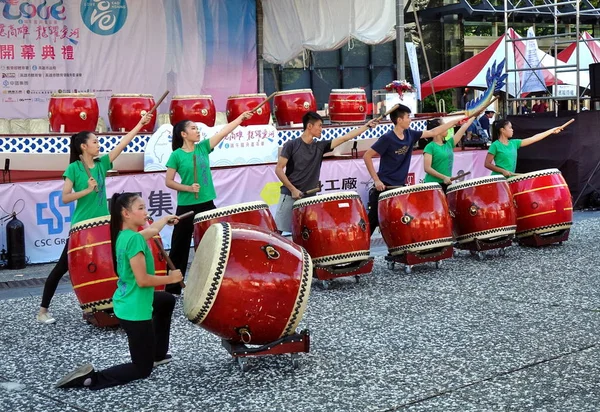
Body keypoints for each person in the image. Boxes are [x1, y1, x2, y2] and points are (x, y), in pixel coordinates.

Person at [54, 192, 184, 390]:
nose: (145, 212)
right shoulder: (133, 240)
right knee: (141, 369)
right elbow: (143, 280)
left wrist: (165, 220)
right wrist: (171, 279)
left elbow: (149, 232)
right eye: (140, 208)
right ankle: (92, 379)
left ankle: (156, 354)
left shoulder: (124, 236)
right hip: (135, 311)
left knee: (166, 300)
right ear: (126, 213)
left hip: (126, 301)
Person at [36, 114, 153, 324]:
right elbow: (64, 197)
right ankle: (43, 310)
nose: (99, 145)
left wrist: (139, 125)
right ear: (83, 147)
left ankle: (109, 304)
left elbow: (121, 145)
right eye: (95, 142)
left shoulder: (101, 164)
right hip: (82, 227)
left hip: (103, 226)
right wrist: (87, 190)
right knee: (63, 267)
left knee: (113, 263)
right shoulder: (73, 169)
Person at [164, 111, 253, 295]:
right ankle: (172, 287)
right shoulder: (176, 155)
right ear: (183, 134)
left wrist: (240, 118)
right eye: (193, 128)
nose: (198, 131)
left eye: (197, 128)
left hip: (207, 204)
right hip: (187, 206)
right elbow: (169, 181)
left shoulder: (203, 148)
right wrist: (188, 188)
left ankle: (213, 283)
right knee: (179, 246)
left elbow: (222, 132)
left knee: (213, 242)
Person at [363, 104, 462, 235]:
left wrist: (455, 121)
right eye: (408, 117)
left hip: (400, 187)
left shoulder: (410, 134)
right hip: (385, 186)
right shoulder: (387, 138)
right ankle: (361, 250)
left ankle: (399, 252)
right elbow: (367, 156)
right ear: (399, 120)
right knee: (373, 221)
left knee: (400, 220)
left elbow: (433, 132)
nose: (410, 120)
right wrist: (376, 180)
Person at [274, 111, 378, 234]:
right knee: (278, 231)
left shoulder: (320, 146)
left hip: (309, 198)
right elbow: (279, 169)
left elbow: (345, 138)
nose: (321, 129)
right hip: (290, 194)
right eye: (319, 125)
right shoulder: (291, 145)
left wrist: (367, 126)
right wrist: (292, 189)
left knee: (307, 233)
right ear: (309, 126)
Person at [484, 119, 563, 177]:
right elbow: (487, 164)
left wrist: (552, 131)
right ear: (502, 130)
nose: (512, 130)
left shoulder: (514, 143)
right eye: (510, 128)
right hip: (498, 179)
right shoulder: (495, 145)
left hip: (510, 179)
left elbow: (534, 138)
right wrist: (502, 171)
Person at [423, 116, 477, 192]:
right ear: (438, 129)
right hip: (433, 185)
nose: (447, 128)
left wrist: (474, 114)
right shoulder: (430, 147)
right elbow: (427, 168)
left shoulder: (449, 143)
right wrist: (444, 177)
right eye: (444, 125)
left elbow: (464, 127)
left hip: (447, 183)